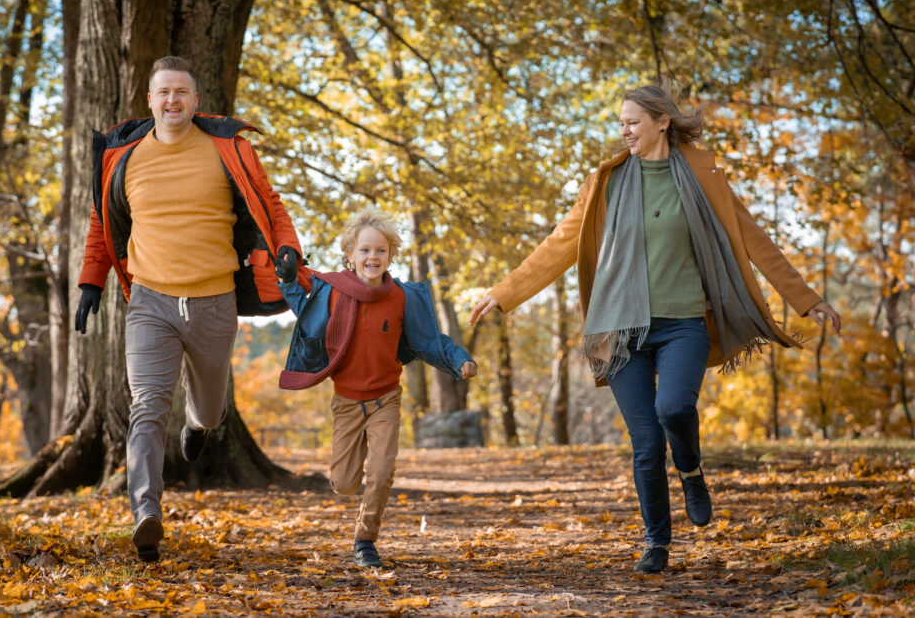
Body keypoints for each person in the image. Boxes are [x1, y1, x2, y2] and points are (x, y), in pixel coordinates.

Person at [470, 84, 841, 573]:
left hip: (684, 321)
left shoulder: (701, 175)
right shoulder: (607, 182)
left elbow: (753, 237)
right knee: (645, 444)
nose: (624, 131)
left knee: (675, 408)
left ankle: (691, 470)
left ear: (662, 121)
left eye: (633, 122)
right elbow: (559, 245)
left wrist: (806, 299)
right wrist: (504, 292)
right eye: (621, 123)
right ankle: (656, 543)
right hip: (620, 330)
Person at [73, 56, 310, 563]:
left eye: (182, 92)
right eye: (164, 92)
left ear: (196, 101)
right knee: (147, 406)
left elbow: (271, 205)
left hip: (214, 300)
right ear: (151, 100)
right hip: (149, 301)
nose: (172, 101)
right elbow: (103, 222)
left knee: (208, 404)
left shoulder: (230, 149)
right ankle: (146, 513)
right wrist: (91, 282)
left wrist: (289, 249)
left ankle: (199, 425)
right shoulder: (123, 156)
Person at [275, 209, 477, 568]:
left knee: (381, 472)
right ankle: (352, 494)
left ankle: (365, 541)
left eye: (380, 251)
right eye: (365, 250)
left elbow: (430, 340)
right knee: (344, 483)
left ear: (390, 256)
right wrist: (288, 279)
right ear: (350, 255)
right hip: (347, 403)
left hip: (386, 399)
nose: (372, 257)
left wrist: (459, 359)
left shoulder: (401, 297)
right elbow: (302, 309)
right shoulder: (332, 291)